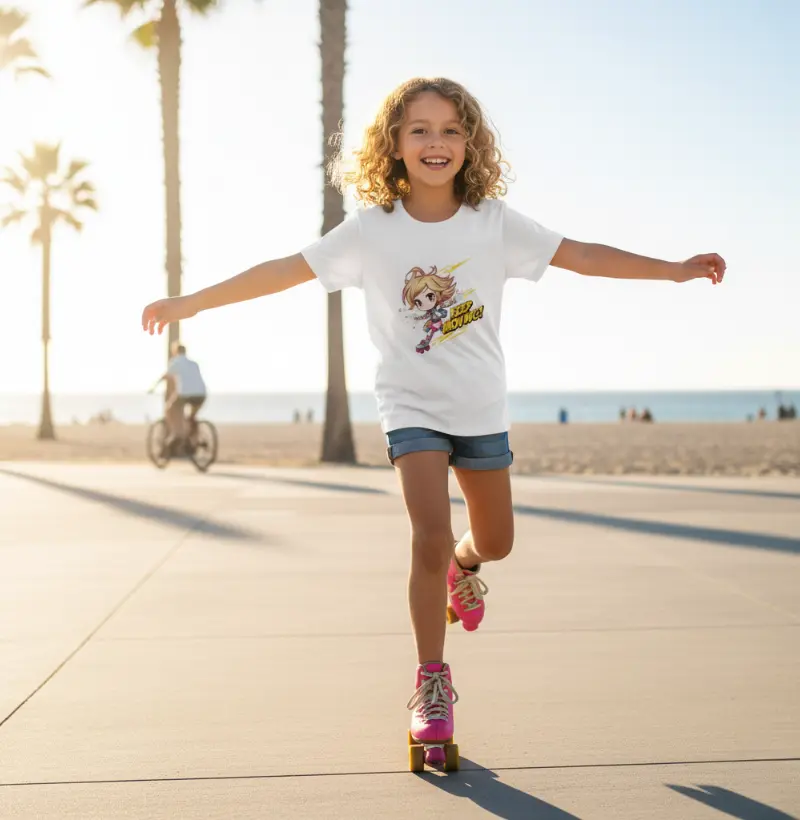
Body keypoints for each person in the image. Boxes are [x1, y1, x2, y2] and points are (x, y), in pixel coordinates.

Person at [140, 77, 726, 763]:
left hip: (479, 409)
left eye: (450, 129)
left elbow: (585, 256)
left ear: (470, 142)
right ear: (393, 143)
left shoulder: (494, 223)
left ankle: (465, 566)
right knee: (427, 532)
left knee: (496, 541)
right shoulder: (370, 229)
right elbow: (283, 271)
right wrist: (193, 304)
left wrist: (674, 271)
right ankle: (431, 685)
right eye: (419, 129)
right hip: (410, 410)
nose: (435, 142)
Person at [149, 342, 207, 446]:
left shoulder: (175, 362)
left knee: (169, 409)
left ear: (175, 352)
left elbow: (166, 376)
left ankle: (176, 434)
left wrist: (153, 388)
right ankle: (195, 439)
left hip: (185, 394)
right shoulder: (194, 364)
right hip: (201, 394)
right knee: (192, 417)